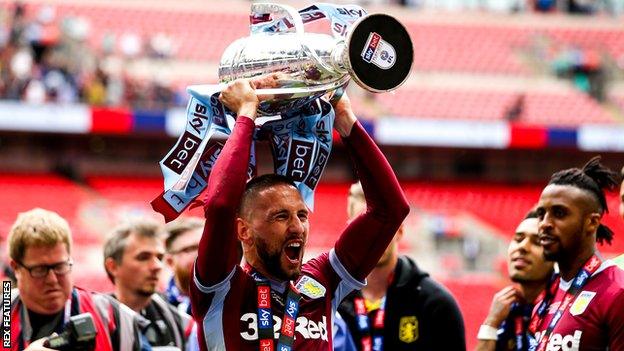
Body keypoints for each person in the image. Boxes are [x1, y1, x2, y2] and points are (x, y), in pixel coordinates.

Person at [189, 77, 410, 350]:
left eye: (302, 215)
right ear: (244, 230)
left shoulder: (323, 281)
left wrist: (346, 120)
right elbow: (221, 206)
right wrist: (246, 113)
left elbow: (391, 210)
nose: (297, 227)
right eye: (280, 216)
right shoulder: (221, 289)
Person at [338, 181, 465, 351]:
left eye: (382, 224)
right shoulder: (333, 300)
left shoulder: (437, 304)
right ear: (349, 231)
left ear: (400, 230)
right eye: (363, 225)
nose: (374, 235)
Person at [7, 208, 147, 351]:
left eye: (60, 266)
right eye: (40, 269)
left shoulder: (114, 317)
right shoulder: (3, 314)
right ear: (16, 268)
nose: (52, 279)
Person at [530, 156, 624, 350]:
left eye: (559, 213)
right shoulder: (544, 295)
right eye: (541, 214)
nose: (545, 223)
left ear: (592, 222)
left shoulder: (617, 291)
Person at [104, 219, 193, 350]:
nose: (157, 266)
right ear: (113, 267)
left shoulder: (181, 323)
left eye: (160, 258)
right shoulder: (98, 319)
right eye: (143, 257)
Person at [475, 210, 554, 351]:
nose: (522, 247)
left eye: (537, 242)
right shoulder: (508, 311)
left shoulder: (563, 309)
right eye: (518, 239)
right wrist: (491, 323)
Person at [164, 217, 204, 315]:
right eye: (191, 249)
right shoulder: (158, 308)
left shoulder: (237, 296)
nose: (204, 253)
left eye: (208, 245)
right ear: (170, 262)